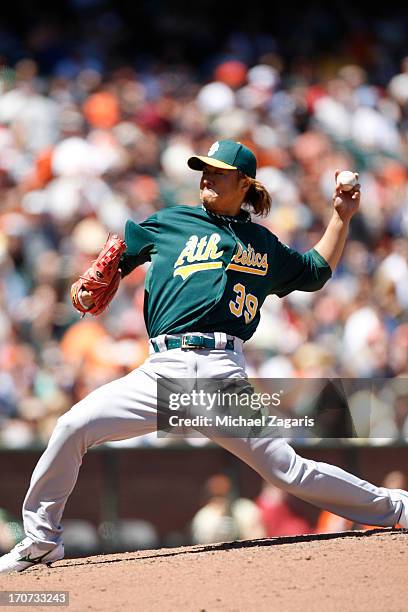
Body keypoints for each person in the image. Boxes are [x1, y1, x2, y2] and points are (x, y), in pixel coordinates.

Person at [1, 139, 407, 573]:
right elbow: (107, 268)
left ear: (245, 183)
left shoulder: (261, 243)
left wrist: (340, 217)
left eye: (217, 171)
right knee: (72, 425)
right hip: (161, 371)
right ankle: (41, 539)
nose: (206, 177)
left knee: (287, 471)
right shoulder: (170, 223)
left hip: (220, 372)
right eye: (203, 170)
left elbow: (314, 270)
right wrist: (85, 285)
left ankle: (397, 508)